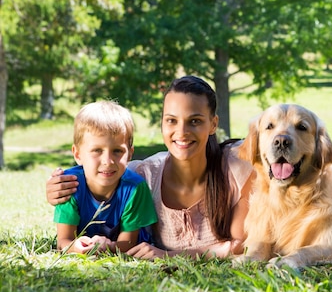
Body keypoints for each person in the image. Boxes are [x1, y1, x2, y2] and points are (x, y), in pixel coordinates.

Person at [47, 76, 255, 260]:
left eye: (195, 121)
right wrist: (55, 189)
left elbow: (244, 245)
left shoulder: (236, 168)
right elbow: (96, 175)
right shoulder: (145, 175)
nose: (181, 132)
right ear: (162, 123)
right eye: (171, 120)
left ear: (213, 124)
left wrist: (171, 256)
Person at [54, 101, 158, 254]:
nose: (108, 161)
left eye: (117, 151)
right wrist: (76, 247)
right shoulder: (69, 185)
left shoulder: (135, 188)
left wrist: (107, 247)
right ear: (77, 154)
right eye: (97, 150)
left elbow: (128, 243)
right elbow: (63, 240)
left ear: (130, 153)